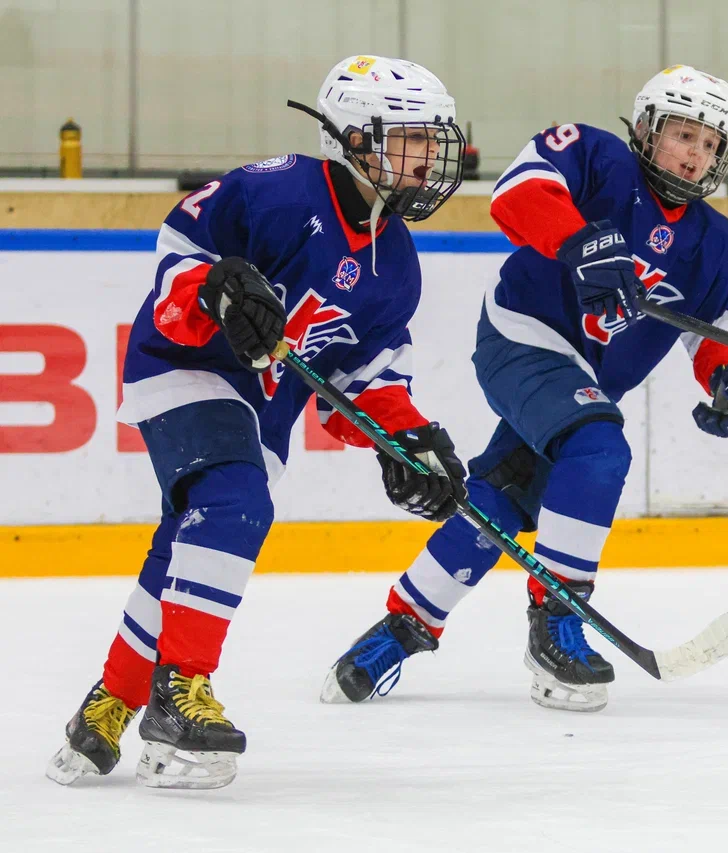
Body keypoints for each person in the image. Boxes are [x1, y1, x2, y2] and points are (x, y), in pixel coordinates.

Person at [46, 55, 470, 790]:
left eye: (433, 142)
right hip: (182, 364)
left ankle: (110, 701)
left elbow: (363, 376)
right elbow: (180, 252)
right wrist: (213, 285)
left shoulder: (396, 261)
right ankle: (179, 690)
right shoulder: (278, 189)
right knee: (236, 502)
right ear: (355, 137)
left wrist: (404, 439)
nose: (429, 158)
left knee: (187, 541)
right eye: (411, 140)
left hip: (263, 410)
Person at [323, 65, 728, 713]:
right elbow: (517, 192)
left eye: (709, 144)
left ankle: (401, 627)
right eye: (682, 134)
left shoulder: (714, 242)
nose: (695, 155)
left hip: (580, 380)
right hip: (521, 336)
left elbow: (718, 329)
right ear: (646, 129)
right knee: (599, 449)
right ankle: (556, 619)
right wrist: (581, 239)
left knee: (499, 497)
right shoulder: (596, 157)